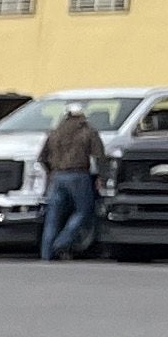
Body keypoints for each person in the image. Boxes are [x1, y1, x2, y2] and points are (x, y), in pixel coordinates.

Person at [38, 102, 106, 259]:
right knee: (83, 211)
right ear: (82, 115)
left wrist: (51, 172)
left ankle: (46, 254)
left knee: (52, 216)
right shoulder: (88, 131)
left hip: (57, 176)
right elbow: (99, 156)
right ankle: (61, 243)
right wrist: (102, 176)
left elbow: (42, 158)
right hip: (79, 175)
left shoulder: (54, 132)